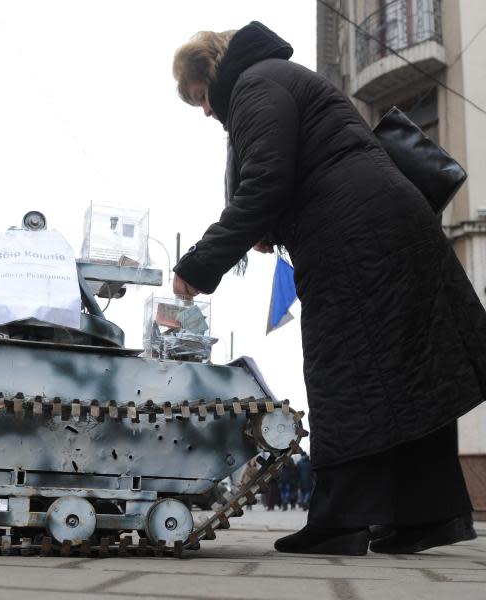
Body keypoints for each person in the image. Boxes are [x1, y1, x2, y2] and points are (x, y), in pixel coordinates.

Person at [171, 21, 484, 555]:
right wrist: (273, 228)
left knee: (343, 366)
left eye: (201, 97)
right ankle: (428, 516)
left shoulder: (253, 83)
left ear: (213, 73)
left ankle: (341, 522)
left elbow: (265, 180)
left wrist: (199, 265)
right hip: (386, 223)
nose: (205, 111)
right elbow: (294, 168)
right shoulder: (277, 77)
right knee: (408, 375)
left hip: (354, 237)